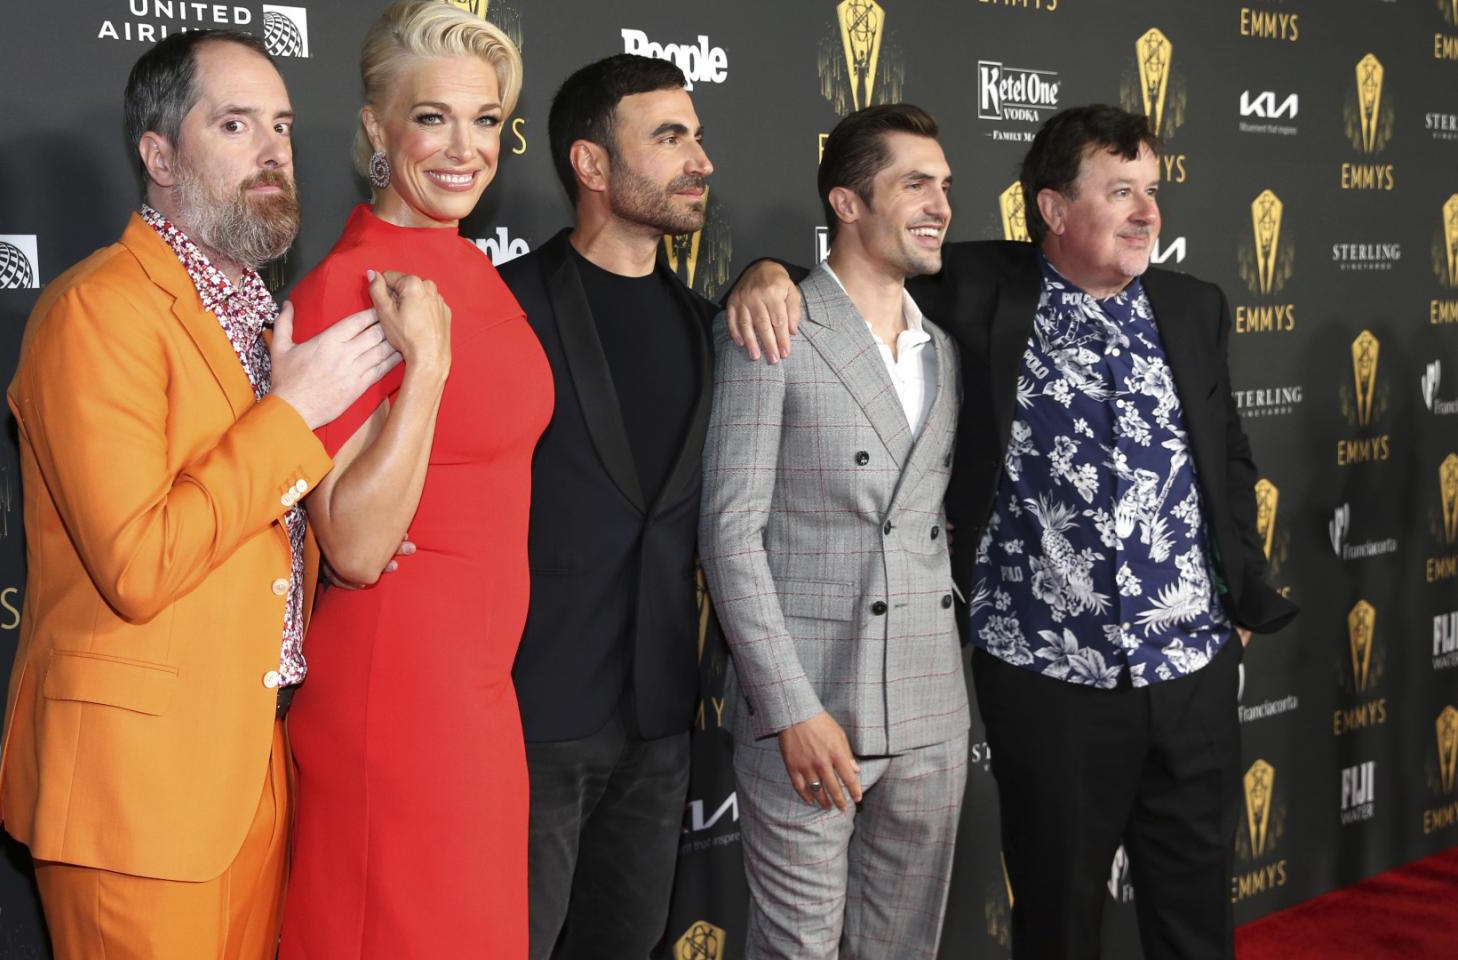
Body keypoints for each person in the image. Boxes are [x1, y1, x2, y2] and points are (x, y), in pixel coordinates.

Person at [728, 104, 1298, 960]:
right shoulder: (980, 290)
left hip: (1193, 673)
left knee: (1196, 919)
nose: (1148, 213)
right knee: (1057, 922)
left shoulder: (1195, 307)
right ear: (1054, 210)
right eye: (1121, 192)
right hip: (1048, 681)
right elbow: (856, 273)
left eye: (1153, 191)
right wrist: (761, 272)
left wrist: (1236, 594)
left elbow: (1231, 461)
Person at [0, 29, 423, 959]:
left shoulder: (269, 318)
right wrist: (294, 414)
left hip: (258, 767)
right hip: (138, 795)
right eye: (234, 125)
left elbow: (270, 521)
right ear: (158, 155)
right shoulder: (96, 311)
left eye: (282, 126)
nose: (273, 152)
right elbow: (138, 565)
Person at [278, 2, 551, 957]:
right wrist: (424, 374)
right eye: (432, 117)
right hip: (395, 691)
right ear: (375, 131)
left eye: (485, 121)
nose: (463, 148)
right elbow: (350, 546)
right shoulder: (349, 289)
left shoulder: (470, 267)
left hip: (479, 691)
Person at [699, 104, 968, 960]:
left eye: (946, 185)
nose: (940, 204)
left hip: (931, 707)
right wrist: (790, 711)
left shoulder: (943, 352)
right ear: (847, 204)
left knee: (902, 949)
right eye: (915, 183)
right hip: (813, 714)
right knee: (797, 950)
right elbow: (731, 537)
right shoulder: (775, 327)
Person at [501, 54, 716, 960]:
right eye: (669, 137)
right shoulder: (503, 308)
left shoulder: (711, 325)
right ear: (592, 166)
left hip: (660, 717)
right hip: (533, 710)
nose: (700, 158)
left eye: (697, 134)